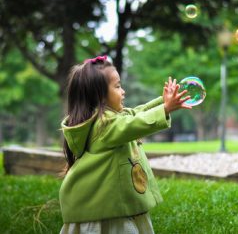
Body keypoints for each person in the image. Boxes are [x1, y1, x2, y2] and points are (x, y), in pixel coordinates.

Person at [59, 55, 192, 234]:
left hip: (112, 205)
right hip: (106, 211)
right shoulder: (104, 125)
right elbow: (135, 123)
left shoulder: (109, 118)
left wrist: (163, 101)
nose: (123, 92)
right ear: (100, 96)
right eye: (118, 86)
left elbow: (136, 113)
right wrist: (165, 109)